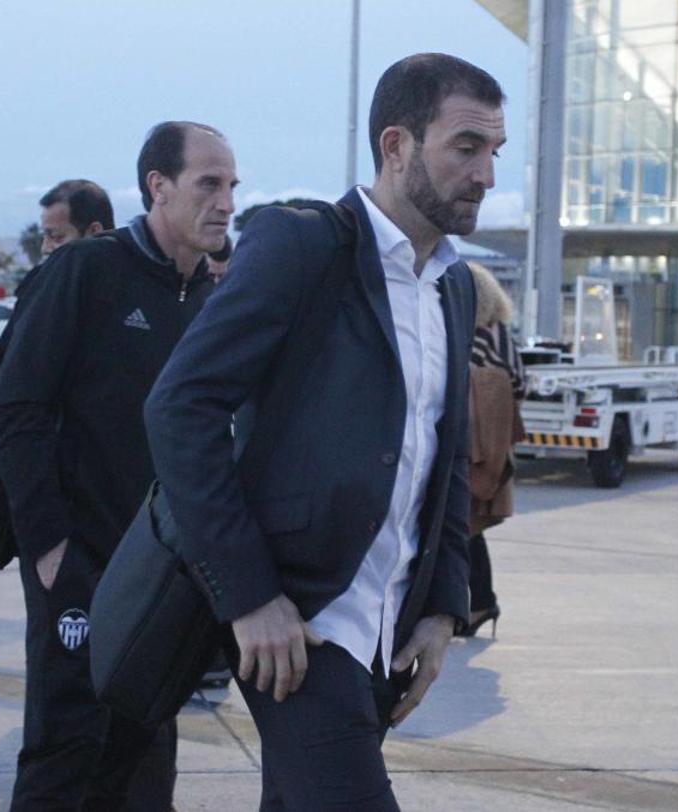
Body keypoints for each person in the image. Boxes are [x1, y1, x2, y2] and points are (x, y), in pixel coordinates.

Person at [144, 53, 505, 810]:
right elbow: (181, 406)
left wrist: (444, 606)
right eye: (467, 148)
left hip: (387, 636)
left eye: (494, 152)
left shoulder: (454, 287)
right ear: (396, 146)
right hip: (301, 626)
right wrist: (249, 597)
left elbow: (441, 456)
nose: (486, 175)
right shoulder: (303, 245)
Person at [0, 121, 235, 811]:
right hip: (83, 564)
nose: (225, 202)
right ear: (158, 186)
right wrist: (49, 549)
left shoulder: (210, 299)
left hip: (166, 574)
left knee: (146, 756)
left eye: (231, 186)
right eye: (208, 184)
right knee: (67, 754)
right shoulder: (86, 271)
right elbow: (16, 408)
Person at [0, 179, 115, 386]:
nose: (45, 248)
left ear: (94, 231)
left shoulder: (135, 290)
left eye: (56, 237)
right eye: (45, 236)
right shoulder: (39, 286)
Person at [460, 263, 524, 638]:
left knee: (461, 524)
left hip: (470, 444)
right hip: (496, 445)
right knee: (469, 524)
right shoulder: (502, 334)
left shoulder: (473, 336)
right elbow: (520, 384)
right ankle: (481, 601)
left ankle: (479, 601)